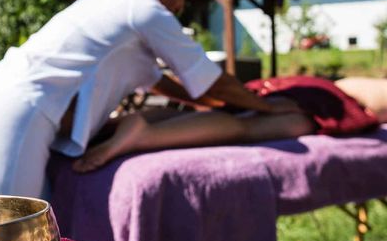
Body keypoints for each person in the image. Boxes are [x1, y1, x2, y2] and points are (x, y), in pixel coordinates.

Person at [0, 0, 297, 198]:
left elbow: (171, 85)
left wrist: (228, 108)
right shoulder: (144, 9)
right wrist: (263, 107)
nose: (179, 6)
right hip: (15, 120)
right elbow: (210, 82)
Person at [72, 75, 387, 173]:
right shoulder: (369, 90)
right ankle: (146, 133)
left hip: (292, 87)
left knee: (239, 113)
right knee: (248, 129)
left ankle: (127, 125)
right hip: (323, 101)